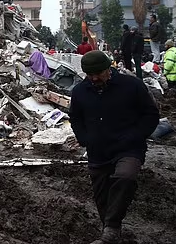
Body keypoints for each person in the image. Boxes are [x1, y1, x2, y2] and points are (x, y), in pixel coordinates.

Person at [69, 50, 159, 244]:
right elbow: (75, 117)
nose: (94, 78)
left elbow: (151, 114)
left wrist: (136, 135)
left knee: (125, 176)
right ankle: (110, 233)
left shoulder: (131, 85)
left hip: (128, 147)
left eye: (98, 73)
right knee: (102, 197)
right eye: (90, 75)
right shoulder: (80, 91)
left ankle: (111, 230)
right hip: (98, 151)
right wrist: (84, 138)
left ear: (108, 68)